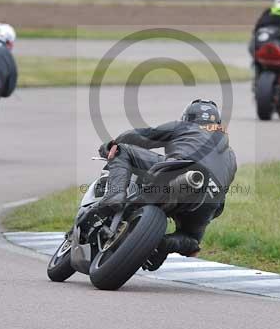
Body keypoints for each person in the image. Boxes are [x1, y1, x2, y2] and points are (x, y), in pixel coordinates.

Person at [97, 99, 237, 270]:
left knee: (123, 150)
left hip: (179, 170)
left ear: (187, 117)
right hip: (209, 200)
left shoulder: (185, 126)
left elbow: (141, 136)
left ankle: (113, 198)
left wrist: (112, 144)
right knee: (191, 241)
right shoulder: (231, 156)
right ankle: (163, 244)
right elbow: (222, 200)